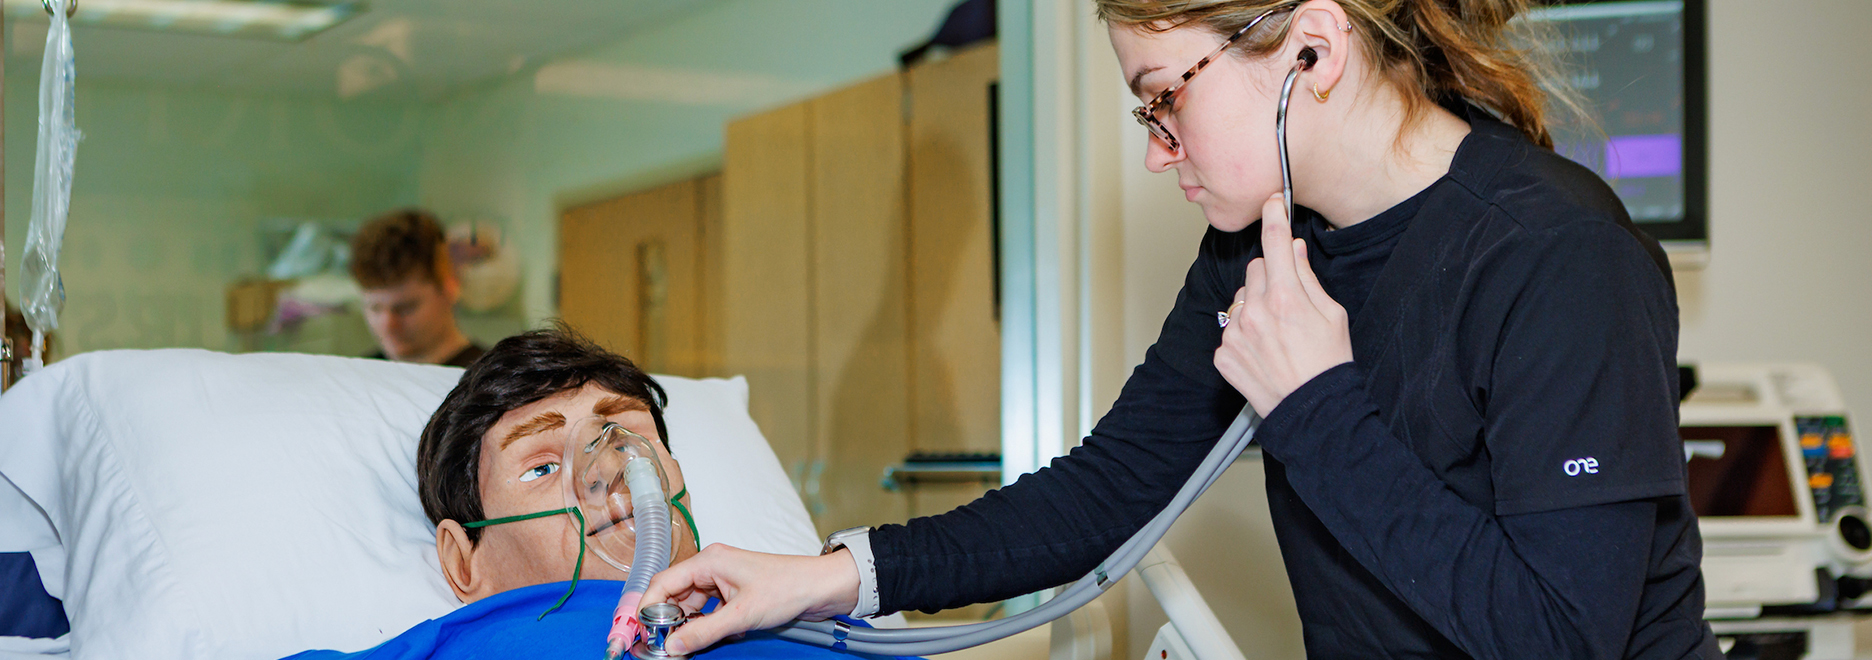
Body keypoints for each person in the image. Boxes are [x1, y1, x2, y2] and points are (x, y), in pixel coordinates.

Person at [644, 1, 1721, 658]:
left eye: (1165, 97)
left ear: (1311, 52)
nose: (1159, 150)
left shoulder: (1555, 255)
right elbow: (1110, 492)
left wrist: (1314, 407)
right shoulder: (1256, 249)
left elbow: (1557, 636)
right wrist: (830, 573)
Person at [283, 328, 907, 660]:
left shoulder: (826, 630)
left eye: (627, 437)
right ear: (461, 561)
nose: (609, 471)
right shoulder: (431, 652)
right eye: (541, 467)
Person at [350, 209, 486, 368]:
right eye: (375, 308)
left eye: (405, 308)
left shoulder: (496, 382)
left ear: (450, 286)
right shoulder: (360, 374)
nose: (388, 325)